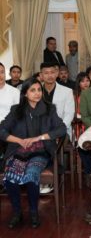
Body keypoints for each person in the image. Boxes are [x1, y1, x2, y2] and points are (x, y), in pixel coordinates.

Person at [0, 77, 66, 229]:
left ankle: (34, 212)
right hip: (18, 151)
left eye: (39, 90)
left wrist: (39, 137)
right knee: (10, 177)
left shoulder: (50, 109)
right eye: (32, 90)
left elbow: (61, 129)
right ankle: (17, 213)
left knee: (31, 174)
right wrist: (18, 140)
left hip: (40, 151)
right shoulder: (16, 110)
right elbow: (2, 129)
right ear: (25, 94)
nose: (37, 93)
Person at [41, 62, 75, 139]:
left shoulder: (67, 91)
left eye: (52, 72)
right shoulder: (36, 91)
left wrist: (59, 130)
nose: (50, 76)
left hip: (60, 129)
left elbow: (69, 114)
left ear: (57, 74)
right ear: (41, 75)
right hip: (39, 130)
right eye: (46, 73)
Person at [0, 63, 20, 160]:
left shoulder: (15, 92)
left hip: (9, 128)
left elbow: (18, 114)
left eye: (2, 72)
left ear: (5, 74)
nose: (0, 75)